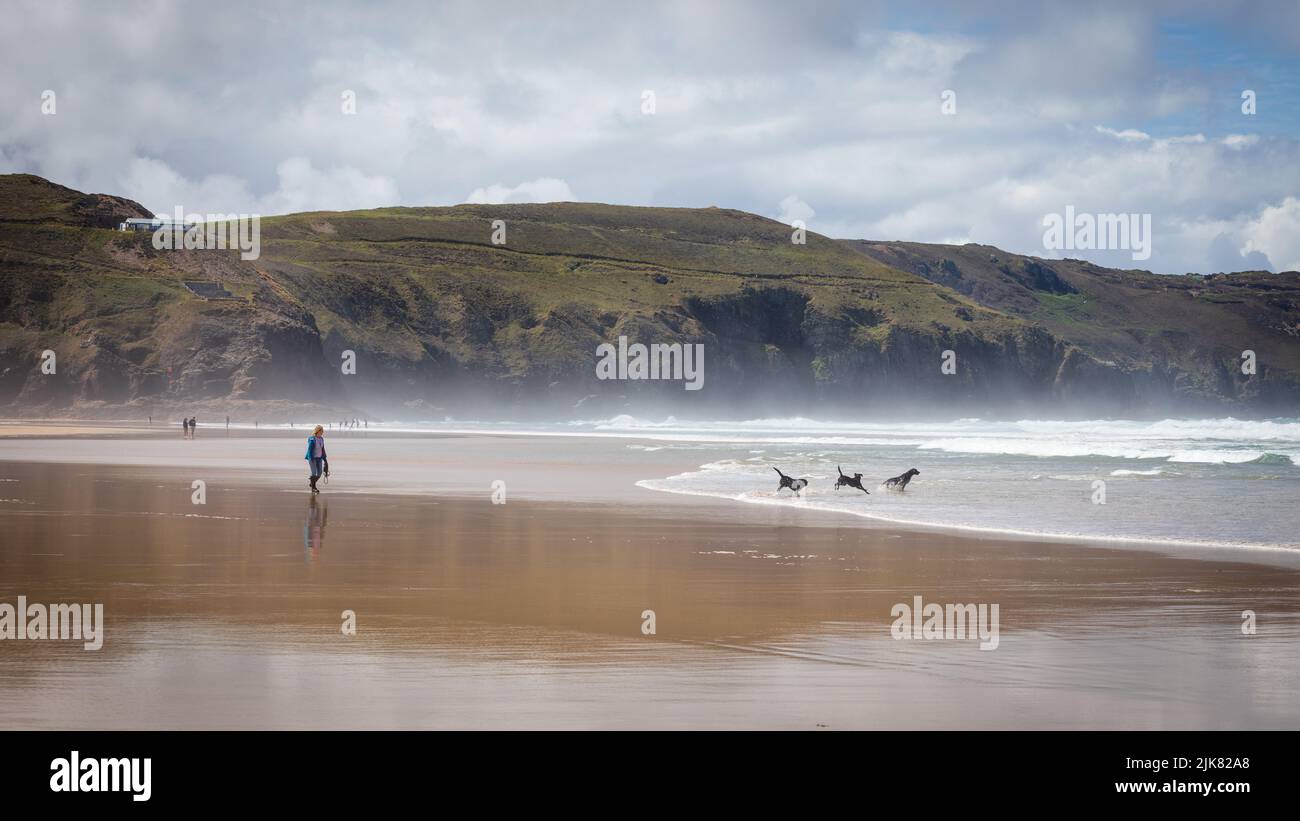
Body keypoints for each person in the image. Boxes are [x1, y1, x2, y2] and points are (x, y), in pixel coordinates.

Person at [304, 424, 329, 493]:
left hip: (319, 458)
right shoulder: (312, 438)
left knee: (320, 473)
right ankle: (314, 488)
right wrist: (310, 458)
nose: (322, 433)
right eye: (321, 431)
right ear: (317, 431)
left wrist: (325, 460)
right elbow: (309, 449)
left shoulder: (321, 439)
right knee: (314, 473)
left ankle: (312, 483)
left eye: (322, 431)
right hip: (312, 458)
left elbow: (322, 449)